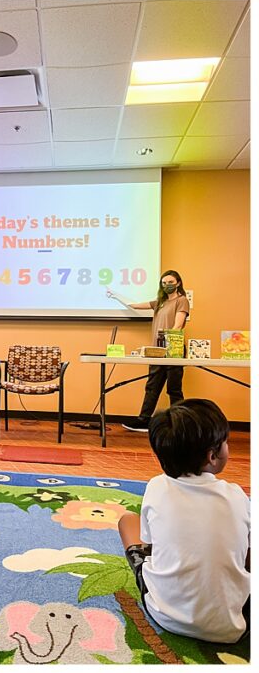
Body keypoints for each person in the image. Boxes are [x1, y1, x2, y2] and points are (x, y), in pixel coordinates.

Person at [118, 399, 249, 643]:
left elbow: (150, 546)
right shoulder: (237, 496)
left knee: (127, 521)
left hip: (164, 615)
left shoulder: (156, 487)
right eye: (226, 443)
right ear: (212, 456)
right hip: (233, 625)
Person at [107, 270, 190, 432]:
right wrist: (116, 295)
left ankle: (180, 424)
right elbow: (135, 305)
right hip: (157, 350)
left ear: (178, 283)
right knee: (152, 386)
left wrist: (168, 343)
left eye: (170, 282)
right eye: (164, 283)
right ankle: (144, 420)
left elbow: (178, 325)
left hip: (174, 349)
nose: (167, 285)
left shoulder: (182, 301)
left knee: (173, 388)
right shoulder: (160, 302)